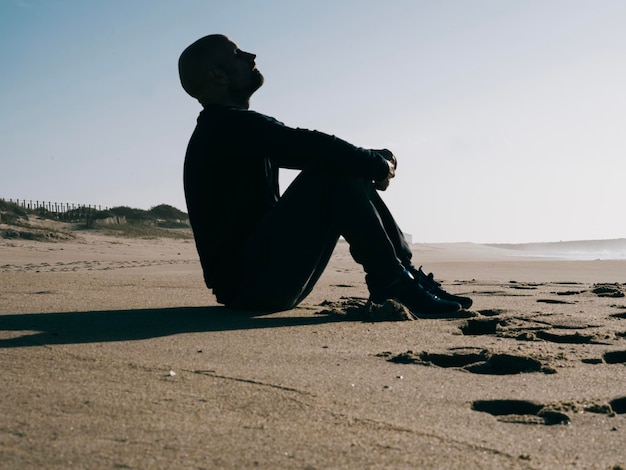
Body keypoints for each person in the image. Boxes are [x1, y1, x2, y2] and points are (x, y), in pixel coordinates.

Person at [178, 34, 472, 316]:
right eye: (236, 54)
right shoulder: (227, 127)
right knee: (331, 170)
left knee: (336, 164)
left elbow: (309, 147)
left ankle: (403, 276)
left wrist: (370, 159)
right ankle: (392, 280)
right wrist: (380, 164)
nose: (250, 56)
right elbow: (314, 147)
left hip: (258, 282)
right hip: (251, 285)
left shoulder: (229, 129)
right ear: (217, 75)